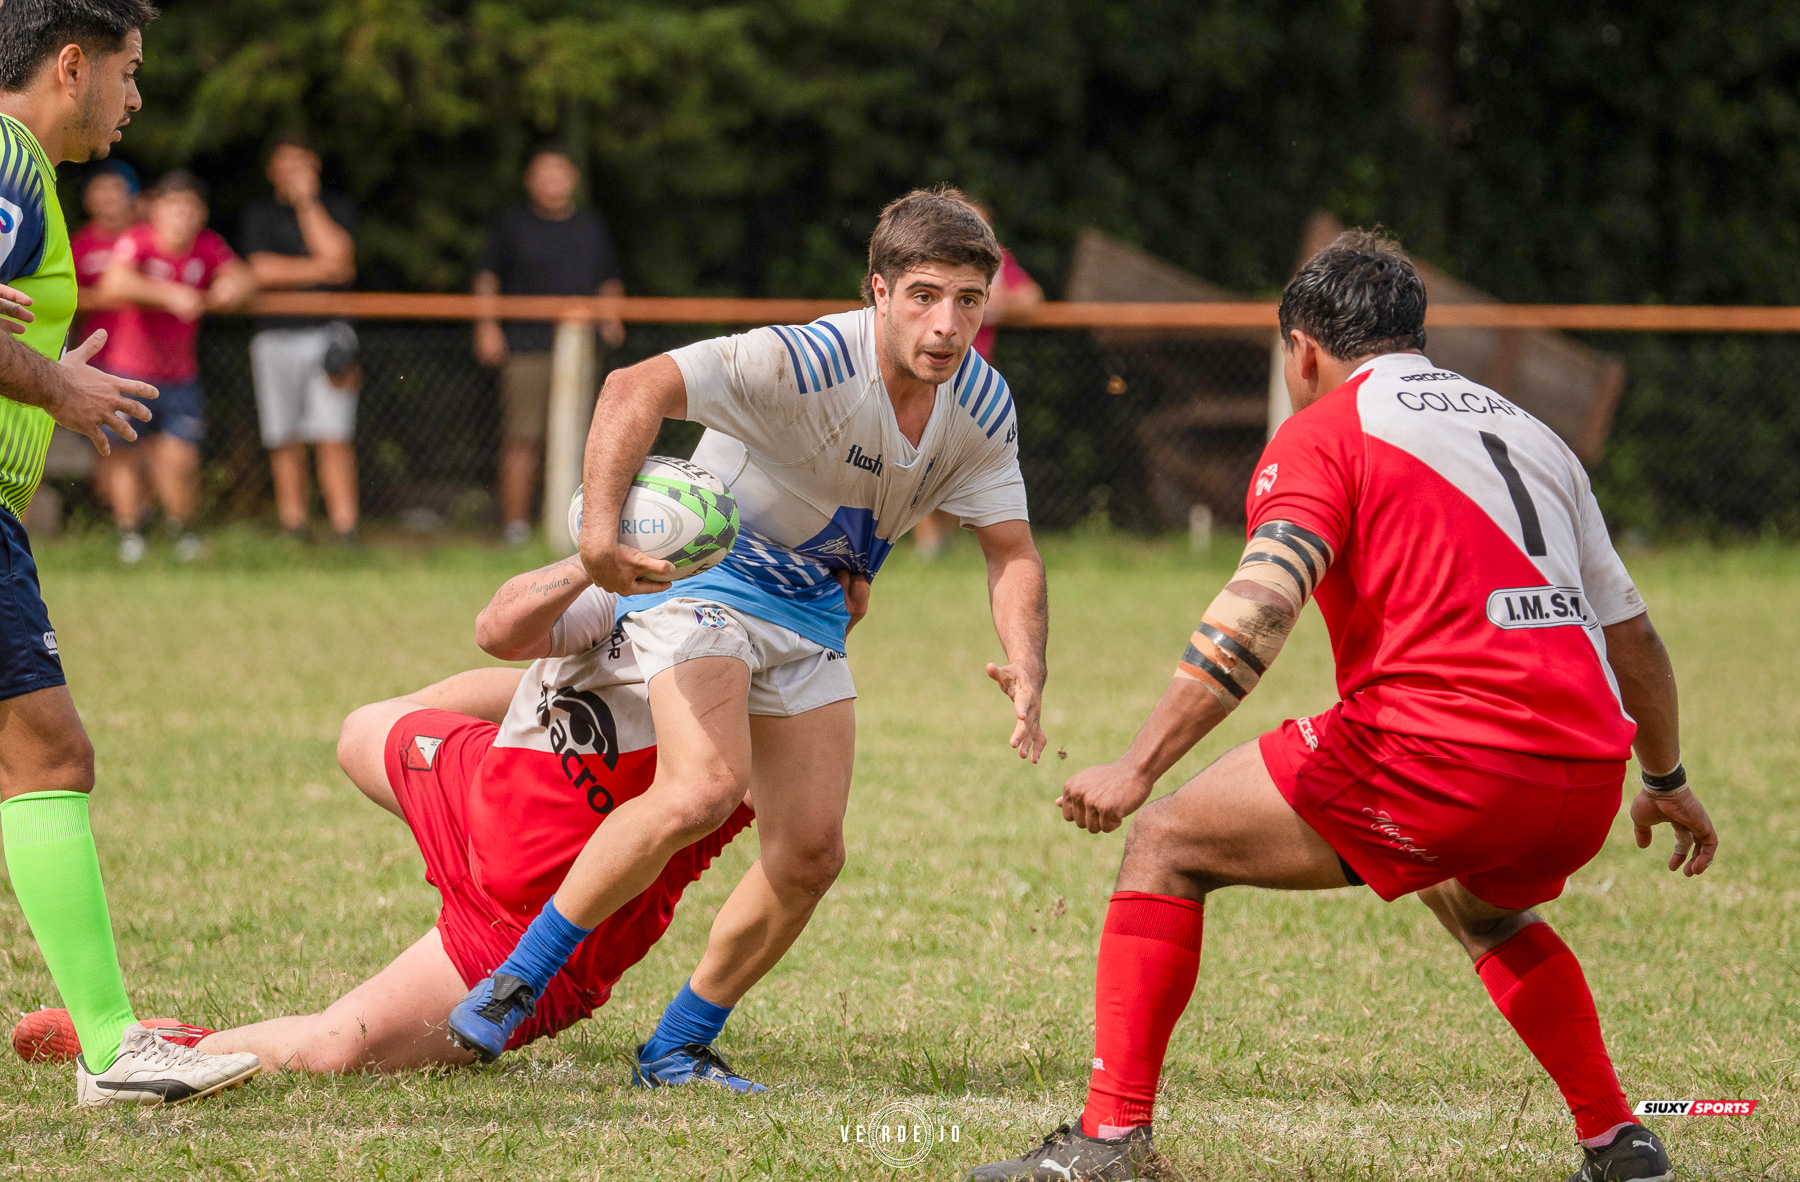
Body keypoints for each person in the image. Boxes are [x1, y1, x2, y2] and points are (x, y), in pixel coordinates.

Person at [970, 230, 1719, 1182]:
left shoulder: (1324, 432)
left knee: (1162, 841)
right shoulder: (1535, 437)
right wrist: (1668, 778)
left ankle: (1109, 1143)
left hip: (1444, 759)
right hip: (1582, 780)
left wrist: (1139, 765)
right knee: (1485, 911)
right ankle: (1620, 1143)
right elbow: (1635, 642)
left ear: (1304, 350)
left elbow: (1261, 607)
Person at [445, 188, 1050, 1093]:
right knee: (705, 788)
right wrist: (600, 536)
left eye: (969, 300)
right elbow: (632, 385)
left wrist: (1030, 662)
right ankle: (512, 985)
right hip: (710, 580)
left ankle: (678, 1047)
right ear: (876, 290)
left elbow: (1012, 551)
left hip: (811, 615)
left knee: (811, 854)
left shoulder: (982, 405)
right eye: (924, 294)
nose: (946, 323)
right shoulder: (803, 358)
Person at [13, 559, 752, 1073]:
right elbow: (501, 632)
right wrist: (590, 572)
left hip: (518, 930)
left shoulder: (768, 691)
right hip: (479, 791)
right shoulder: (653, 593)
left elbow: (799, 859)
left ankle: (158, 1045)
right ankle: (489, 776)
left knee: (337, 1049)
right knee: (364, 729)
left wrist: (693, 1021)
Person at [0, 0, 262, 1106]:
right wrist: (55, 382)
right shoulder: (10, 159)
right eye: (130, 70)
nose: (136, 97)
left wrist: (49, 377)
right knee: (50, 760)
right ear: (72, 65)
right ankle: (113, 1050)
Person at [94, 170, 255, 562]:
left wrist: (231, 287)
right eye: (173, 205)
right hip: (129, 370)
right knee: (125, 458)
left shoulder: (207, 245)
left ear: (200, 213)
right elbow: (114, 282)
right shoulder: (138, 240)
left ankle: (180, 531)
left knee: (181, 458)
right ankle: (130, 534)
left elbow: (242, 276)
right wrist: (170, 294)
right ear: (156, 210)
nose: (180, 214)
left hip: (181, 376)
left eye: (189, 206)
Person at [474, 145, 626, 545]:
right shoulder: (513, 224)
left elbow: (608, 278)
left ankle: (581, 527)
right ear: (530, 180)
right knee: (522, 436)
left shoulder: (590, 225)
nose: (551, 181)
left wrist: (611, 316)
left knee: (585, 438)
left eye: (559, 172)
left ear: (573, 178)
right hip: (526, 345)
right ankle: (516, 528)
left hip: (580, 348)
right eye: (543, 173)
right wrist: (487, 326)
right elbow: (487, 278)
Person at [240, 134, 360, 542]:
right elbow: (259, 271)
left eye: (301, 162)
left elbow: (341, 260)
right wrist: (321, 270)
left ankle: (346, 530)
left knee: (334, 435)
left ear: (316, 167)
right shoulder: (258, 214)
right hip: (273, 338)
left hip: (330, 339)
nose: (293, 170)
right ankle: (295, 527)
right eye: (284, 162)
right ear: (271, 168)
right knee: (283, 435)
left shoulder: (336, 208)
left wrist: (308, 202)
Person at [913, 200, 1041, 559]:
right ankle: (928, 541)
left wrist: (999, 303)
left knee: (958, 456)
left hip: (974, 376)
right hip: (928, 368)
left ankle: (942, 538)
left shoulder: (995, 263)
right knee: (919, 451)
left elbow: (1032, 299)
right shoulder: (928, 258)